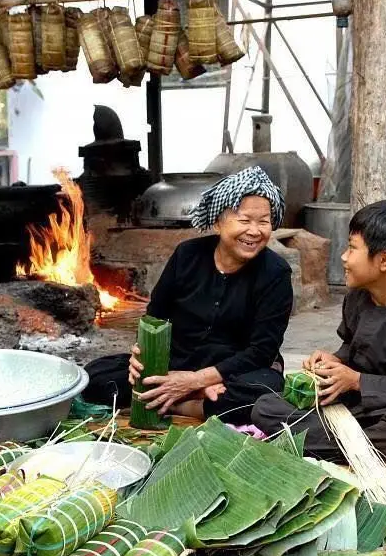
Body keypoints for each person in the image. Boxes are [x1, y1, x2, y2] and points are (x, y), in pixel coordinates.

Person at [251, 200, 386, 489]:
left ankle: (355, 461)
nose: (343, 257)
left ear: (385, 260)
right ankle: (380, 463)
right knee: (264, 407)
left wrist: (358, 381)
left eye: (352, 248)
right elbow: (352, 350)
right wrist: (333, 362)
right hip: (354, 415)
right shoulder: (358, 298)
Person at [82, 166, 294, 423]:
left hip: (231, 373)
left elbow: (261, 351)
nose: (255, 231)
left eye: (264, 221)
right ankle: (195, 401)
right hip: (176, 363)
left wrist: (195, 381)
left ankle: (183, 405)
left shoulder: (275, 273)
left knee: (262, 395)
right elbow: (154, 317)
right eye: (244, 220)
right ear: (217, 221)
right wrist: (142, 357)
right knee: (94, 377)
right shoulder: (187, 255)